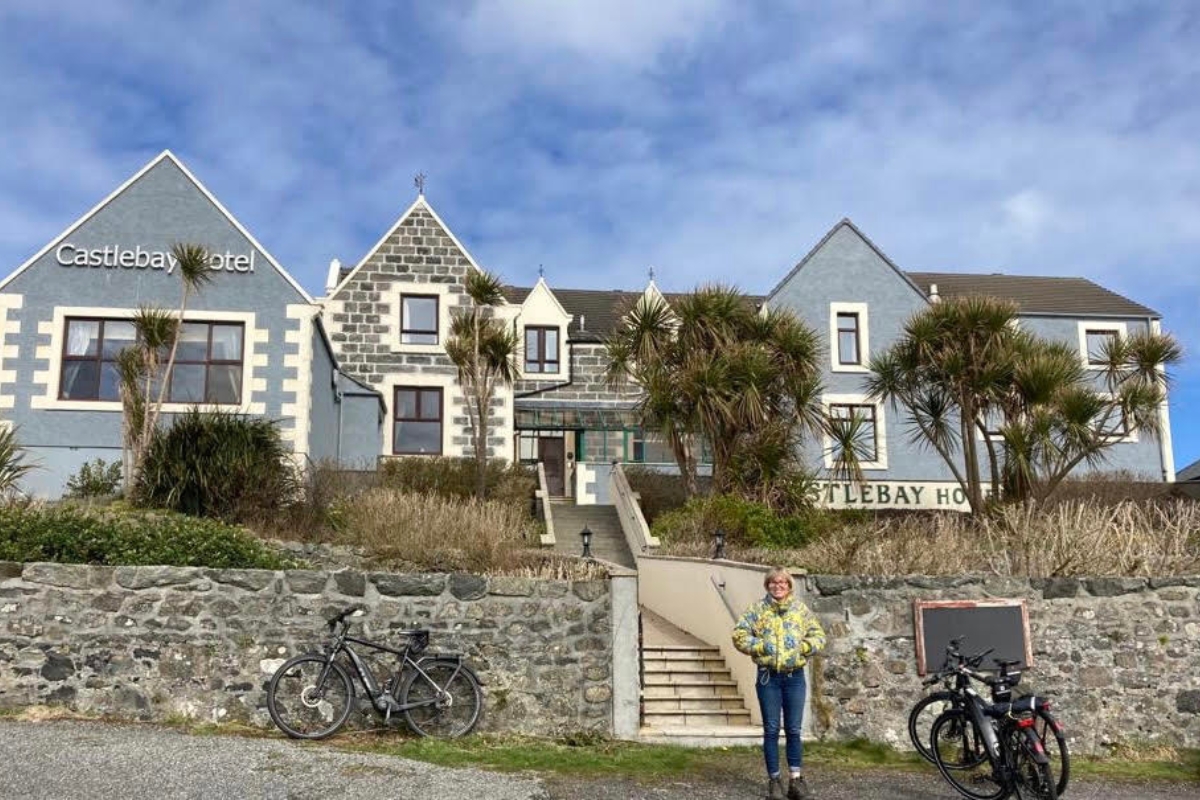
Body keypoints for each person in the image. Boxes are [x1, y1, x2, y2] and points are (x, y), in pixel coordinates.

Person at [732, 567, 826, 800]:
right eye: (773, 582)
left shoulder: (800, 611)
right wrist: (761, 646)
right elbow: (739, 635)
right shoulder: (757, 610)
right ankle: (774, 782)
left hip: (795, 677)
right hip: (768, 678)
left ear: (789, 585)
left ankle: (796, 780)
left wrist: (803, 648)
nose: (778, 586)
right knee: (772, 729)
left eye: (782, 582)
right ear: (767, 586)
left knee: (794, 729)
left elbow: (819, 637)